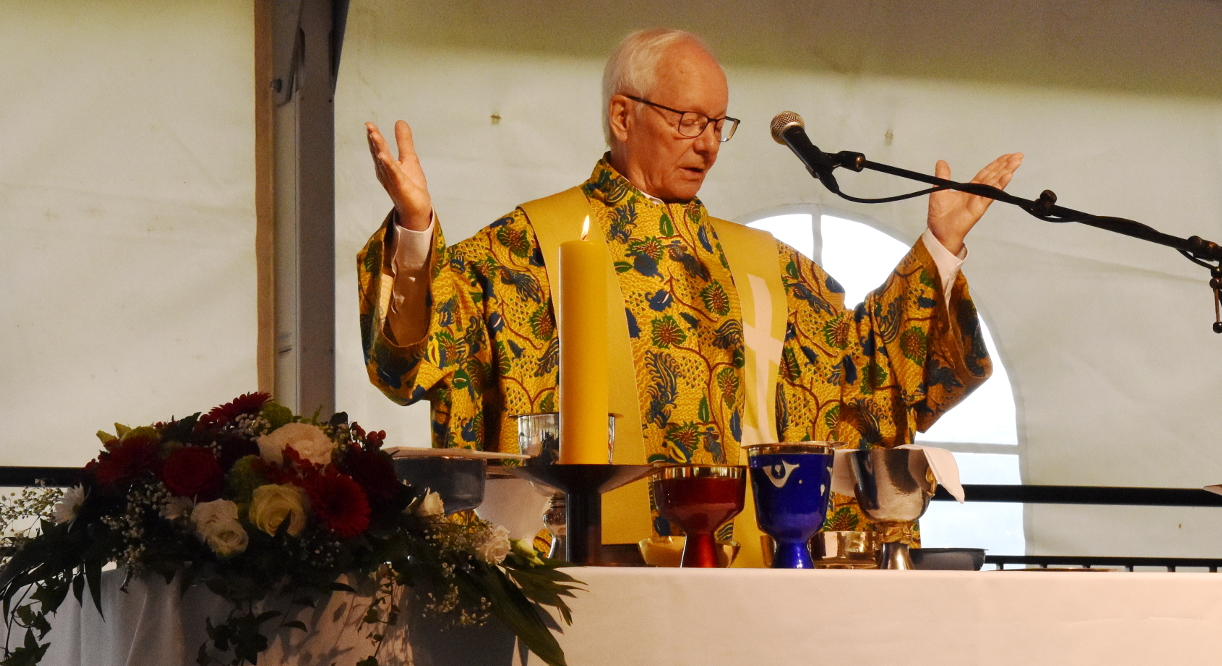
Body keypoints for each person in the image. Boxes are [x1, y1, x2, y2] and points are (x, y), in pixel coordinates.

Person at [357, 28, 1021, 557]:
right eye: (689, 120)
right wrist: (415, 229)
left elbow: (866, 371)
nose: (707, 144)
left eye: (719, 124)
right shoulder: (526, 248)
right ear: (623, 114)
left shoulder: (765, 265)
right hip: (589, 578)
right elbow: (414, 357)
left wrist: (938, 248)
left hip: (750, 583)